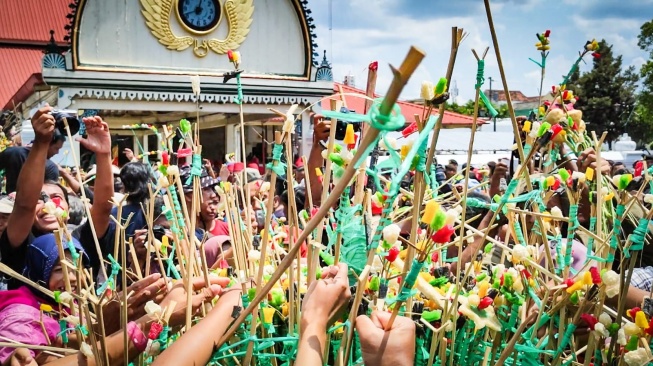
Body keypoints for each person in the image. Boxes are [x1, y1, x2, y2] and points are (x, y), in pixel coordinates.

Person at [0, 107, 114, 289]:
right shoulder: (20, 242)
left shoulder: (80, 239)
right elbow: (24, 204)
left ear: (69, 210)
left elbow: (103, 207)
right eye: (39, 199)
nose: (48, 205)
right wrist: (41, 143)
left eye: (56, 197)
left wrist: (103, 154)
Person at [0, 129, 64, 194]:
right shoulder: (51, 167)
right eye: (56, 148)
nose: (57, 152)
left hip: (8, 201)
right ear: (47, 144)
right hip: (34, 203)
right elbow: (50, 194)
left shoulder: (11, 152)